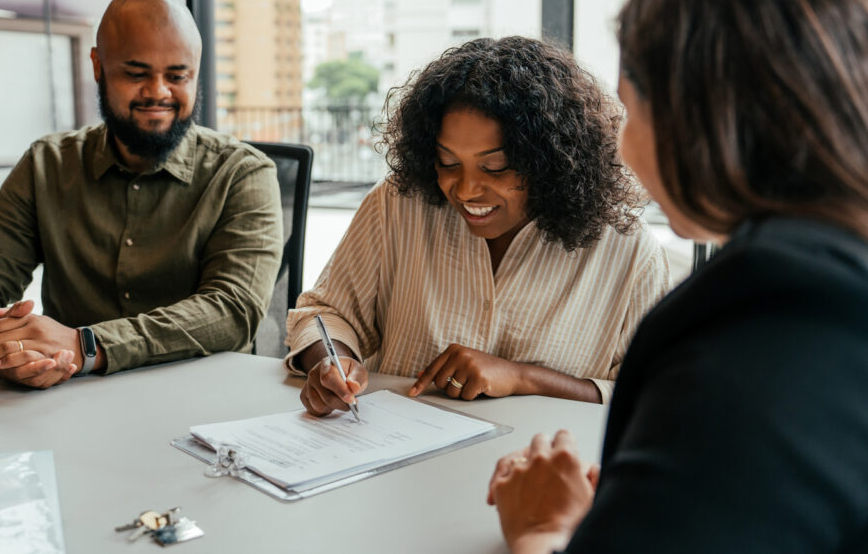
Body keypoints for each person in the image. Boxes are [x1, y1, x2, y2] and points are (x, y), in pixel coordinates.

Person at [488, 0, 868, 552]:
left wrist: (542, 530)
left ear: (693, 120)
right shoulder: (856, 277)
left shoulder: (761, 332)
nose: (623, 149)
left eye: (630, 113)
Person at [286, 36, 671, 415]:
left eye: (495, 167)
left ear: (549, 162)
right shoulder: (397, 206)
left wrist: (524, 378)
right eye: (448, 163)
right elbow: (325, 312)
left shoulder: (629, 251)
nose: (467, 189)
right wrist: (330, 362)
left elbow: (654, 396)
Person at [0, 0, 284, 389]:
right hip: (69, 399)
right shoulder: (47, 164)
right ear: (98, 66)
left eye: (177, 75)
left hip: (204, 405)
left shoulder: (243, 173)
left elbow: (232, 311)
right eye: (136, 74)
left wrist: (87, 346)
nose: (158, 92)